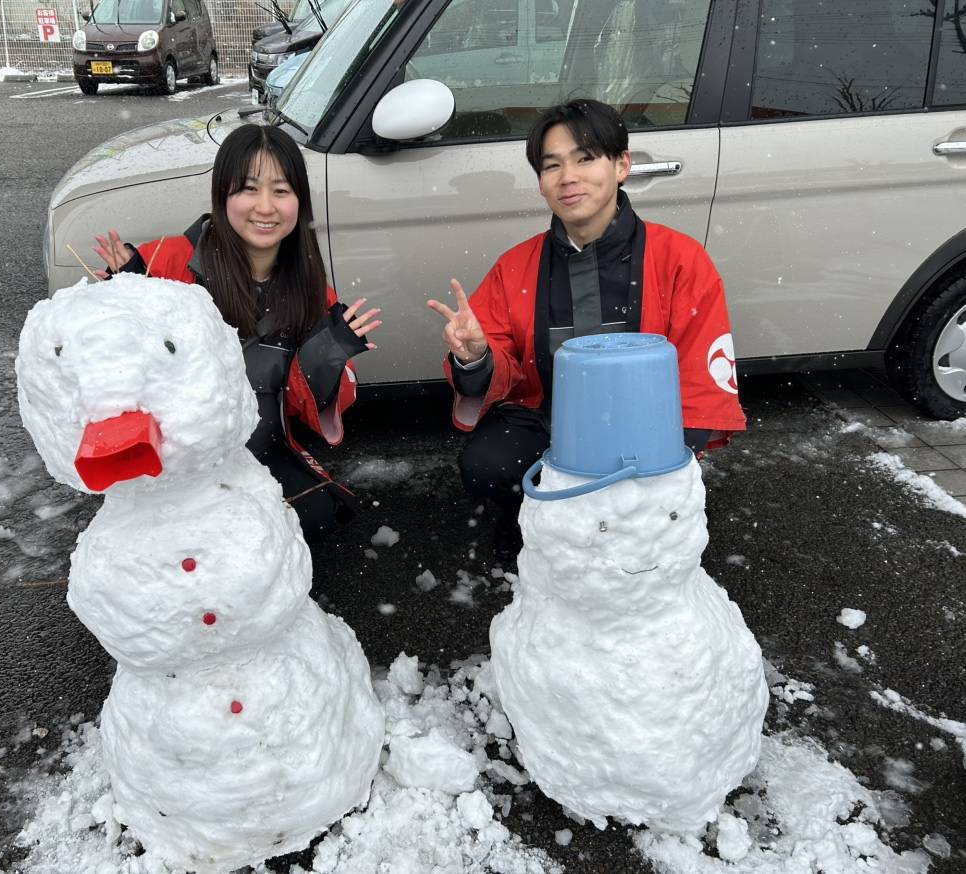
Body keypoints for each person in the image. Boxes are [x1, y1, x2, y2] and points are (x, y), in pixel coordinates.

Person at [427, 98, 746, 563]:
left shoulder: (679, 259)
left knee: (651, 518)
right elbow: (500, 368)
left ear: (622, 165)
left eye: (586, 158)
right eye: (551, 165)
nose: (568, 177)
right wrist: (475, 356)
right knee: (487, 465)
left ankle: (647, 521)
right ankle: (534, 520)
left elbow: (701, 369)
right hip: (548, 422)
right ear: (540, 183)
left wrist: (667, 467)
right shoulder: (516, 266)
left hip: (645, 434)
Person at [92, 123, 381, 544]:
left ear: (299, 202)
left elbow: (320, 409)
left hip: (259, 450)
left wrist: (324, 357)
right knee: (180, 539)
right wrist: (127, 293)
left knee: (313, 517)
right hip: (177, 457)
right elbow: (108, 363)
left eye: (281, 191)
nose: (265, 207)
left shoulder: (311, 290)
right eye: (248, 189)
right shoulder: (165, 261)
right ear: (222, 195)